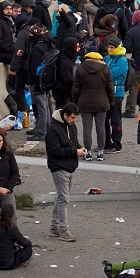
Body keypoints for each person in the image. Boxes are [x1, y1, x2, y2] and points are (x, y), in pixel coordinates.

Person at [45, 102, 83, 242]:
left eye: (75, 118)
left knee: (61, 198)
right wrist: (74, 151)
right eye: (72, 118)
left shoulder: (71, 126)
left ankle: (54, 227)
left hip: (71, 166)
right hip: (59, 168)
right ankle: (63, 230)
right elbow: (54, 151)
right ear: (64, 115)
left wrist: (80, 149)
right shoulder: (53, 130)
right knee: (63, 200)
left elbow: (74, 142)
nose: (74, 121)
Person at [0, 203, 32, 270]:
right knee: (28, 250)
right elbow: (24, 242)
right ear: (12, 214)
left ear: (0, 212)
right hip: (6, 264)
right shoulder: (12, 228)